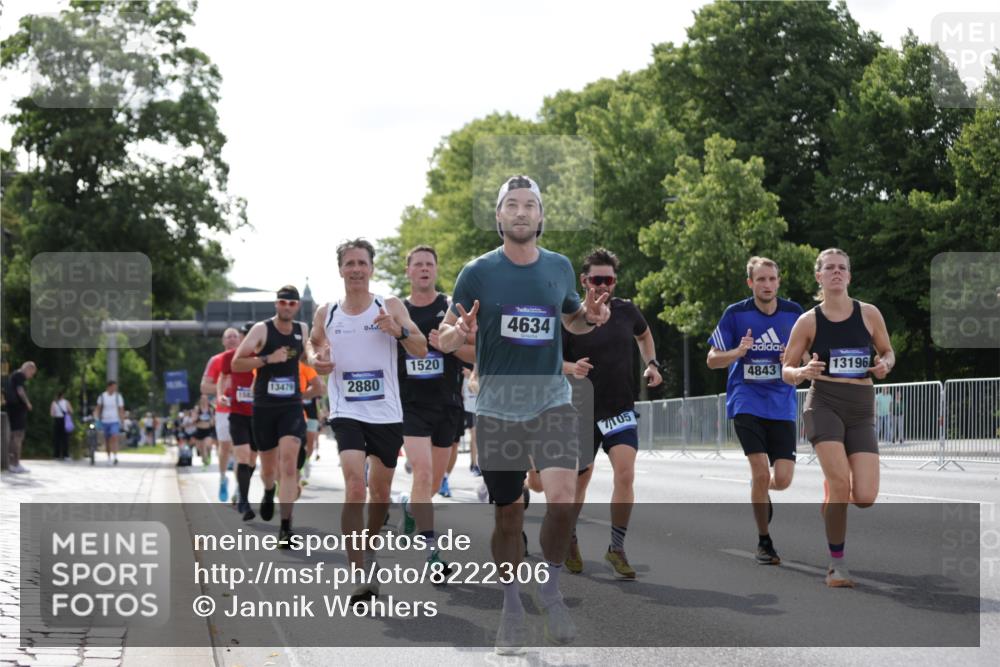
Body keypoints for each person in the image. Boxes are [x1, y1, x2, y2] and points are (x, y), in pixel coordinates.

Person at [437, 175, 610, 653]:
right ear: (498, 217)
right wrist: (457, 332)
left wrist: (589, 317)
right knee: (509, 513)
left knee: (561, 498)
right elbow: (447, 335)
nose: (519, 212)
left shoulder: (557, 267)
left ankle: (550, 587)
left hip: (551, 399)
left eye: (528, 205)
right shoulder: (477, 272)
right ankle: (511, 607)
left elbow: (571, 317)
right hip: (497, 405)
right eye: (510, 205)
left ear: (540, 216)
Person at [307, 239, 427, 601]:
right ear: (340, 269)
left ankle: (370, 550)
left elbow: (421, 346)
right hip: (346, 410)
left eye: (362, 263)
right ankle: (358, 572)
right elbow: (313, 343)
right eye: (350, 263)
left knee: (380, 494)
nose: (356, 269)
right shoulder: (326, 312)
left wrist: (399, 331)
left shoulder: (389, 306)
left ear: (371, 268)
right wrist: (316, 358)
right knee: (355, 486)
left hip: (387, 413)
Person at [782, 248, 894, 588]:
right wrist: (803, 370)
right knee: (843, 486)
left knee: (865, 496)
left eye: (841, 268)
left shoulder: (869, 314)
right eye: (829, 268)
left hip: (861, 406)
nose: (836, 273)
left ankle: (833, 491)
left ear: (849, 274)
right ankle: (836, 566)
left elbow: (887, 352)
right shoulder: (808, 321)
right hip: (824, 403)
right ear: (819, 276)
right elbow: (786, 369)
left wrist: (885, 364)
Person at [562, 248, 662, 579]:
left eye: (609, 280)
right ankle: (569, 537)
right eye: (596, 280)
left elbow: (644, 334)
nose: (603, 286)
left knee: (625, 473)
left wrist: (652, 363)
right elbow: (549, 361)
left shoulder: (626, 310)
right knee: (580, 479)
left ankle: (616, 548)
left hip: (620, 407)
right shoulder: (571, 318)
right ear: (583, 280)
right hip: (581, 410)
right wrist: (570, 367)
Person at [707, 256, 804, 566]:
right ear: (750, 283)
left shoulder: (794, 313)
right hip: (746, 399)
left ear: (778, 281)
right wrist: (738, 352)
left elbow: (805, 358)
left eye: (772, 279)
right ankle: (764, 541)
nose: (767, 285)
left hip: (782, 402)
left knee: (784, 479)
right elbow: (712, 359)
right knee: (761, 470)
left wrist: (790, 360)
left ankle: (759, 488)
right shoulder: (736, 314)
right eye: (761, 279)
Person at [395, 245, 473, 579]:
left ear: (436, 270)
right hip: (411, 406)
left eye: (430, 264)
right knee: (423, 473)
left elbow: (475, 354)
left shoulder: (451, 308)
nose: (424, 269)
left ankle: (410, 507)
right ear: (408, 271)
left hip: (447, 405)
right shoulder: (399, 311)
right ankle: (433, 554)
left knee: (433, 481)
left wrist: (450, 344)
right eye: (418, 264)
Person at [233, 286, 313, 546]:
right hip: (265, 407)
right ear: (276, 304)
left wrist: (318, 361)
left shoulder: (302, 329)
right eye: (282, 302)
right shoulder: (261, 330)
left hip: (291, 405)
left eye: (291, 303)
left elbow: (306, 359)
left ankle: (286, 527)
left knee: (289, 464)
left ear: (297, 306)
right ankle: (268, 490)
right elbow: (237, 363)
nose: (287, 307)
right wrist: (267, 358)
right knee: (268, 469)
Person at [220, 321, 259, 520]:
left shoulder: (262, 357)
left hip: (258, 416)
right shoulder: (230, 356)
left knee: (252, 459)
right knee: (242, 456)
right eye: (246, 334)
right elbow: (222, 376)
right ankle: (244, 501)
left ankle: (242, 491)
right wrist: (220, 395)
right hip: (237, 413)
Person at [202, 328, 241, 502]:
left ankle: (241, 487)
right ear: (223, 342)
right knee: (225, 448)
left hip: (244, 410)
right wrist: (223, 390)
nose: (232, 339)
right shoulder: (216, 360)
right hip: (224, 411)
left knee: (241, 449)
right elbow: (204, 387)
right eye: (228, 337)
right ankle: (223, 478)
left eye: (235, 336)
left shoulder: (247, 359)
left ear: (240, 340)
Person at [4, 362, 36, 473]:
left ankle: (13, 463)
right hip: (17, 409)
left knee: (14, 435)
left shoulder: (14, 375)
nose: (31, 376)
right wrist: (27, 403)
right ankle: (15, 464)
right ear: (28, 369)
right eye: (32, 373)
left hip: (13, 409)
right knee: (18, 435)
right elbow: (20, 391)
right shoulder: (19, 376)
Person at [298, 361, 326, 485]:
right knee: (297, 442)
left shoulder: (313, 374)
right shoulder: (297, 372)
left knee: (310, 443)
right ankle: (299, 469)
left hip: (311, 415)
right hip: (296, 414)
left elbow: (321, 394)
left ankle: (306, 461)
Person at [94, 380, 125, 465]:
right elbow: (98, 408)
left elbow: (121, 409)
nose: (114, 388)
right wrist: (96, 417)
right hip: (105, 421)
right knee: (107, 440)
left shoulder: (118, 397)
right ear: (109, 387)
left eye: (115, 387)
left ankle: (115, 456)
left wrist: (122, 420)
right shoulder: (102, 396)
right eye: (113, 387)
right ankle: (109, 458)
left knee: (114, 437)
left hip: (114, 420)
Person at [192, 396, 215, 469]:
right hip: (199, 430)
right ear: (200, 401)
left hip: (207, 431)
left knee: (205, 445)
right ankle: (205, 457)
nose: (204, 401)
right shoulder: (197, 409)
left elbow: (213, 422)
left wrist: (211, 421)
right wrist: (198, 418)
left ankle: (205, 463)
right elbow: (193, 420)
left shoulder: (210, 410)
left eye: (205, 400)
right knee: (200, 448)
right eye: (203, 400)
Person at [50, 390, 73, 461]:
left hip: (57, 420)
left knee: (57, 438)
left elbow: (52, 414)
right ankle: (65, 455)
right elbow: (71, 411)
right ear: (62, 395)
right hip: (64, 420)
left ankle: (56, 455)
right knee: (65, 438)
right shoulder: (66, 402)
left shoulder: (54, 403)